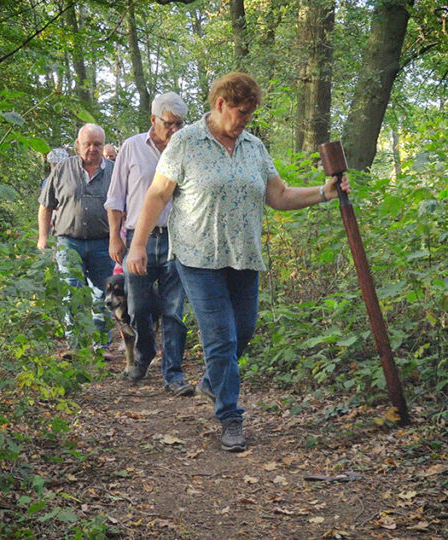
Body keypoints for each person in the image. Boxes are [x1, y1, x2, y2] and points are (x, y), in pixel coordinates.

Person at [126, 73, 348, 452]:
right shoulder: (185, 142)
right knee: (221, 337)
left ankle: (213, 381)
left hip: (244, 256)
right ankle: (230, 417)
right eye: (241, 112)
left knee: (243, 330)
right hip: (198, 257)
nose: (246, 118)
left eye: (250, 112)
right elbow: (157, 194)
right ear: (220, 105)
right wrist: (137, 246)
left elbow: (278, 195)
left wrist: (324, 193)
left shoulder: (253, 147)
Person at [105, 92, 192, 395]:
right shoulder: (131, 147)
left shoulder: (188, 149)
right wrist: (116, 236)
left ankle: (174, 374)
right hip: (137, 240)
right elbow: (115, 198)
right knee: (139, 308)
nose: (175, 130)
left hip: (177, 239)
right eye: (169, 124)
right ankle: (144, 354)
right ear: (154, 120)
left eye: (181, 124)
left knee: (172, 309)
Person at [38, 124, 115, 347]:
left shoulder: (113, 171)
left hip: (103, 242)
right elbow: (45, 206)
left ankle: (102, 345)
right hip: (68, 241)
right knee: (71, 294)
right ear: (77, 145)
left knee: (103, 295)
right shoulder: (61, 169)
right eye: (87, 143)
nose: (92, 148)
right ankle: (75, 345)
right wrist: (43, 237)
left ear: (103, 145)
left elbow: (125, 208)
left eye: (97, 144)